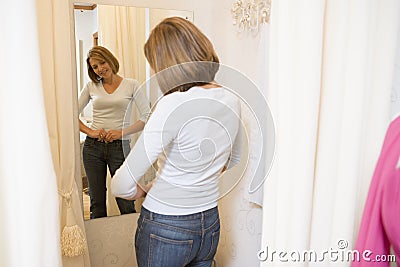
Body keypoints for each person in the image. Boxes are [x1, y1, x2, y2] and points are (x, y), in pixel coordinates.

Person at [112, 17, 242, 266]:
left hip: (167, 225)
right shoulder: (231, 99)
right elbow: (231, 159)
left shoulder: (173, 105)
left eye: (155, 65)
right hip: (209, 223)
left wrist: (142, 189)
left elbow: (120, 185)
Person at [78, 46, 150, 219]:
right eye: (95, 67)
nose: (100, 69)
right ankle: (100, 244)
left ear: (110, 60)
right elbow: (71, 113)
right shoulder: (91, 86)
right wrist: (91, 132)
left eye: (102, 63)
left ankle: (131, 243)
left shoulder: (131, 84)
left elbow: (147, 116)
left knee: (126, 200)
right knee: (97, 202)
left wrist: (121, 132)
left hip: (120, 147)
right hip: (92, 149)